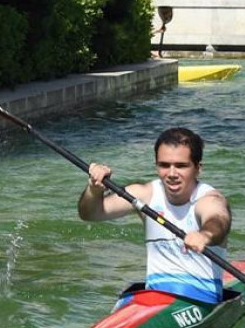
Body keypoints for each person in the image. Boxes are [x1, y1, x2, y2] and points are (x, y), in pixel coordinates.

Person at [78, 127, 230, 306]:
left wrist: (205, 236)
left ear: (198, 168)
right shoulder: (145, 195)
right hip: (152, 297)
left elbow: (218, 221)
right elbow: (90, 213)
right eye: (164, 165)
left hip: (199, 300)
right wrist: (94, 189)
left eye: (181, 166)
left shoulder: (209, 199)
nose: (172, 174)